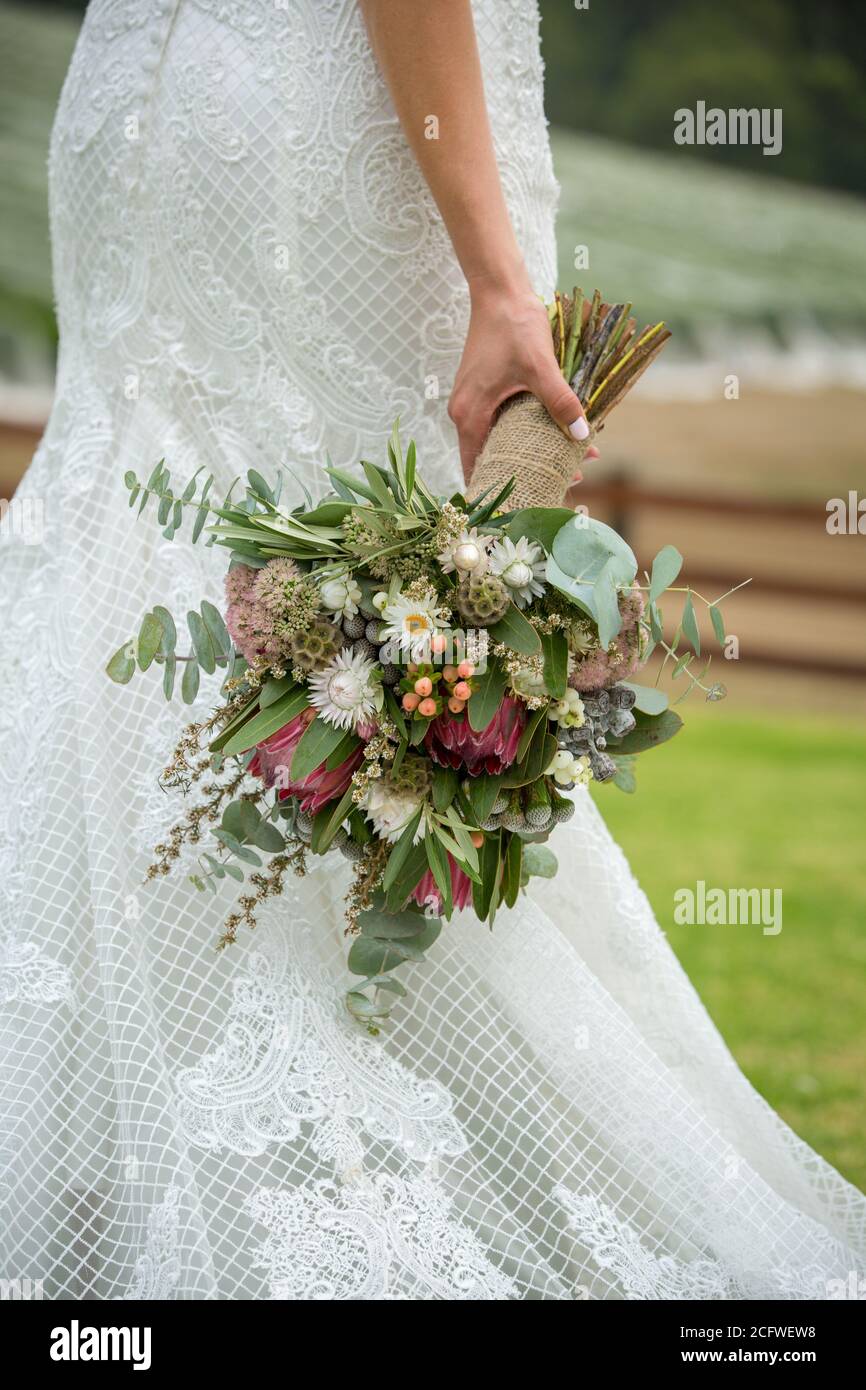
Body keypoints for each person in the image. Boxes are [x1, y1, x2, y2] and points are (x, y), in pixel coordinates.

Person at [0, 0, 862, 1300]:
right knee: (364, 547)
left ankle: (120, 1208)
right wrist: (501, 280)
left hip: (160, 93)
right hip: (337, 121)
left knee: (169, 547)